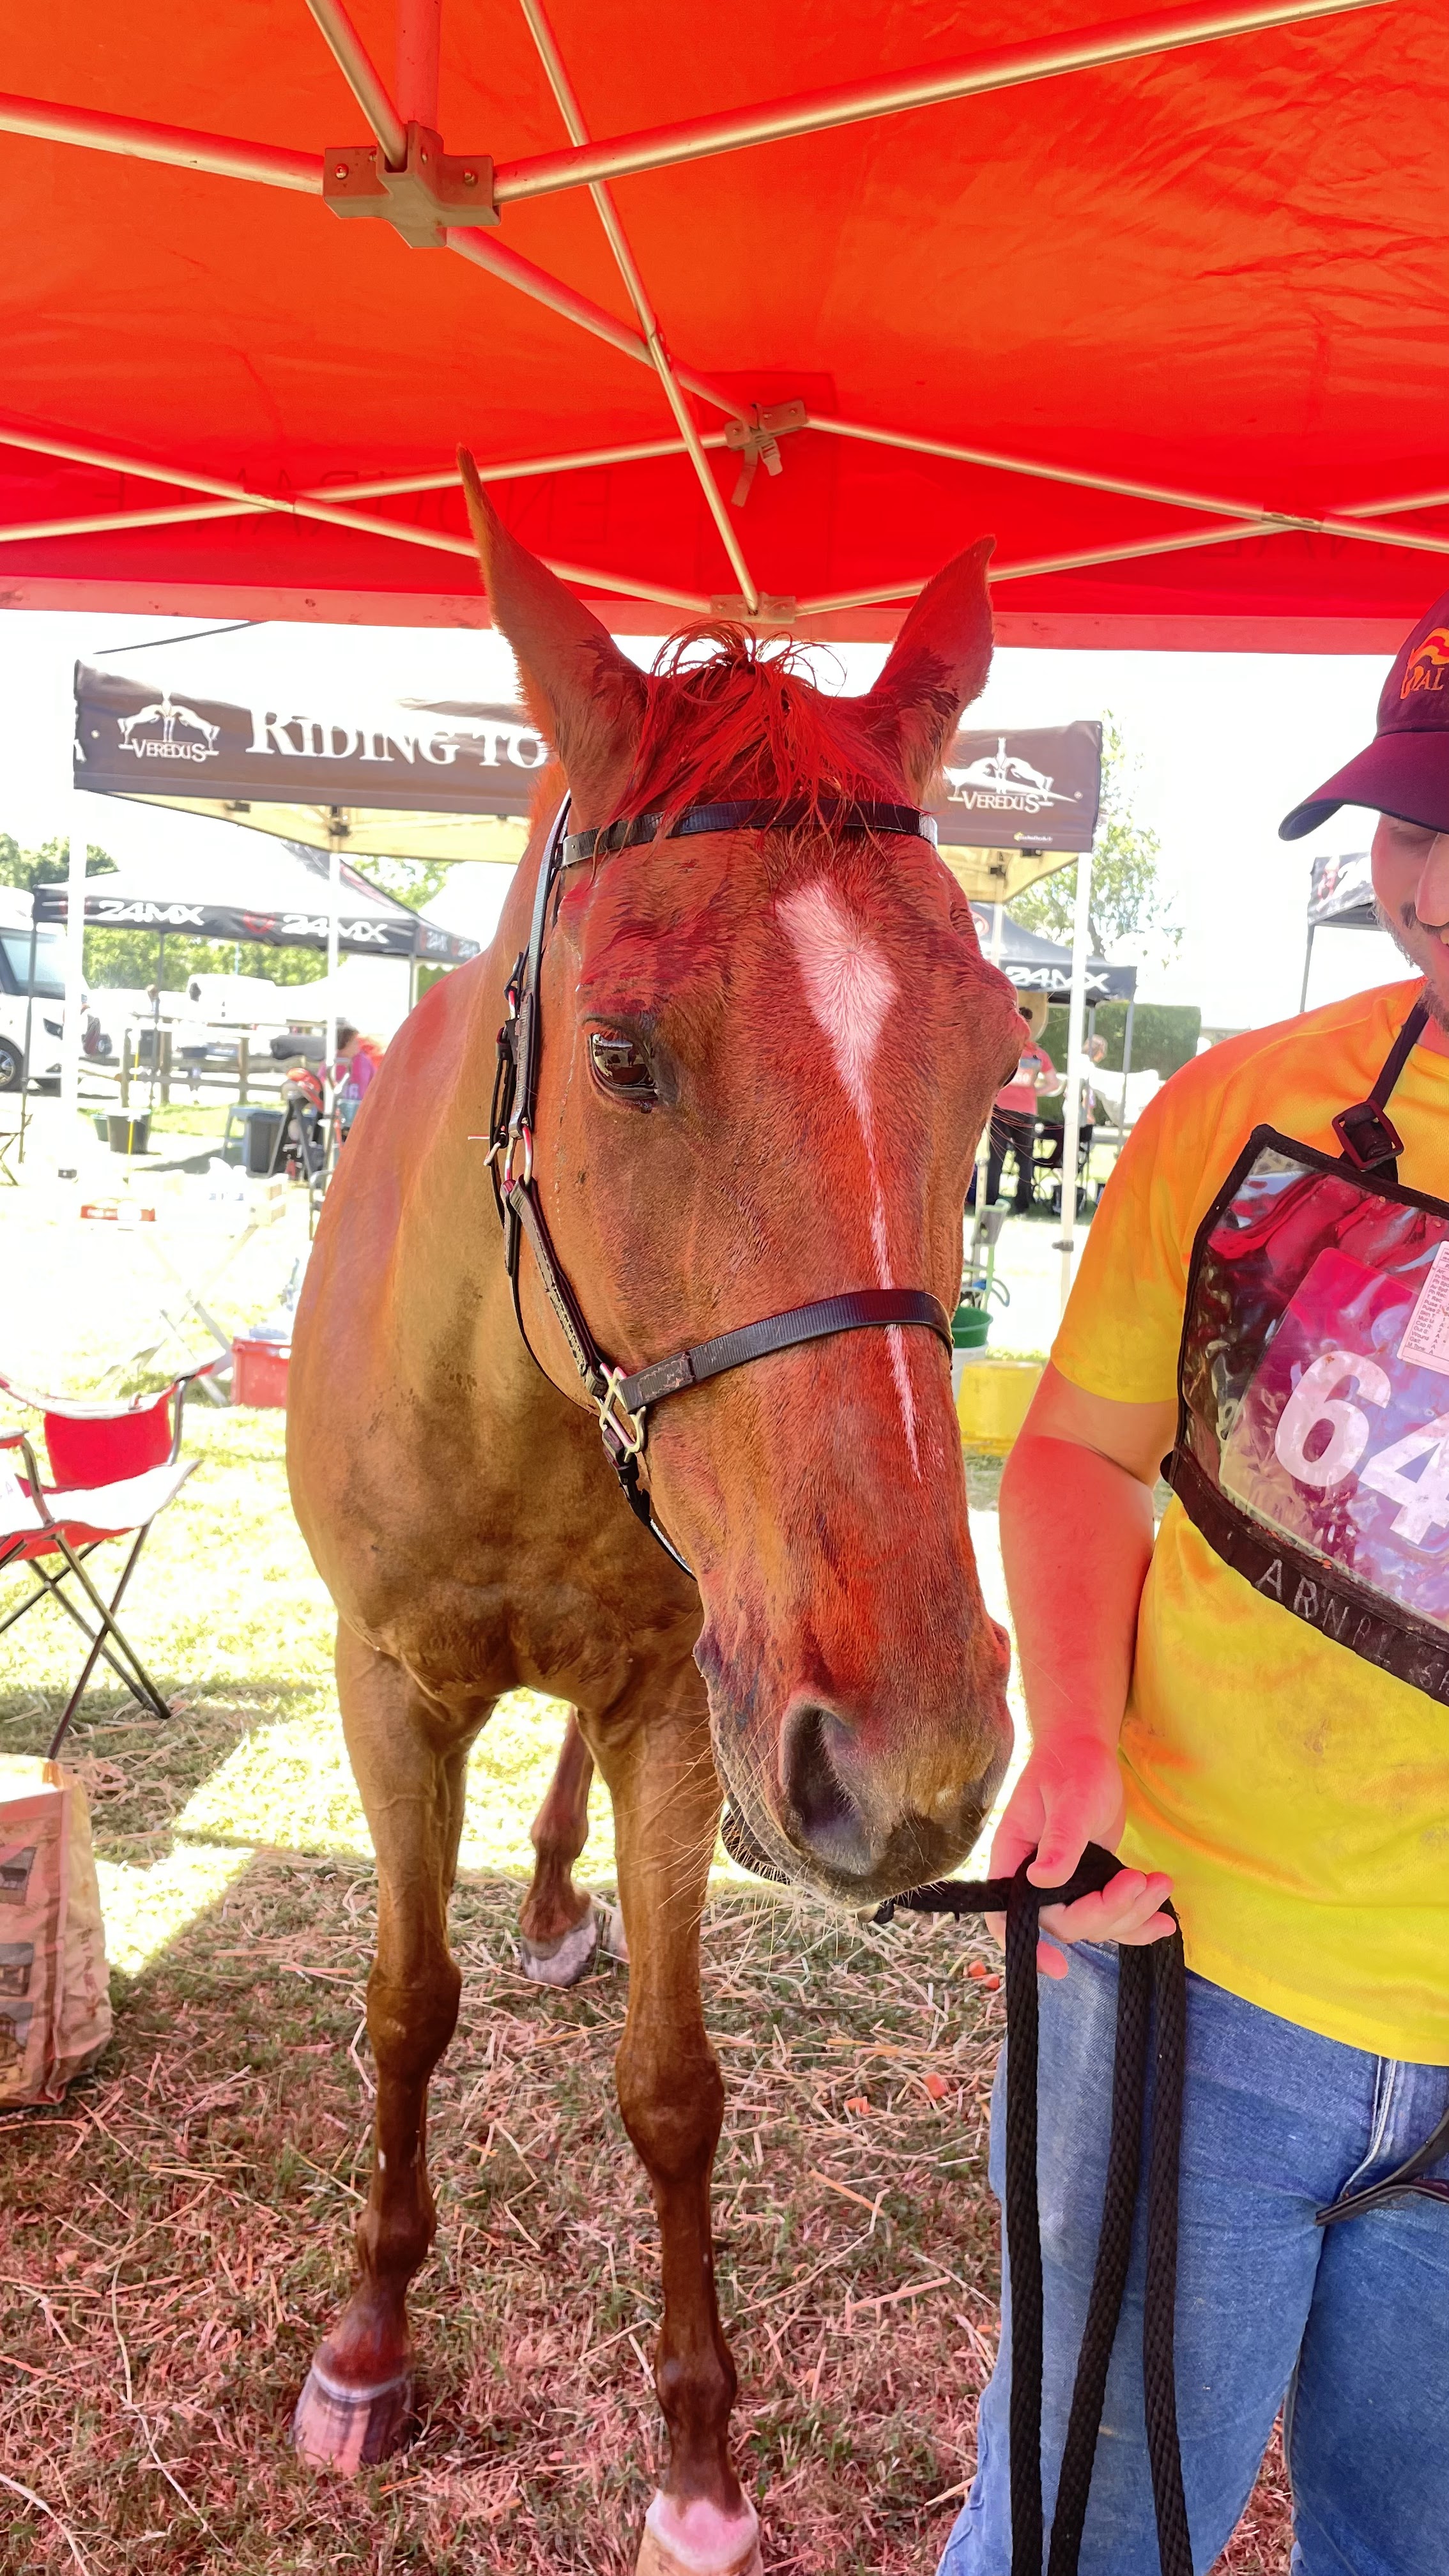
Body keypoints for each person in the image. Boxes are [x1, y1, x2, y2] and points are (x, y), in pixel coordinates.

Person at [940, 590, 1449, 2576]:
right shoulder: (1239, 1116)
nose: (1432, 886)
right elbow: (1080, 1451)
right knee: (1082, 2534)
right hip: (1193, 1986)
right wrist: (1071, 1735)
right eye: (1414, 822)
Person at [977, 1000, 1061, 1213]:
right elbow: (1054, 1083)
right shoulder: (1038, 1054)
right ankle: (1022, 1204)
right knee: (1025, 1159)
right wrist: (1035, 1091)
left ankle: (990, 1201)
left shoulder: (1005, 1049)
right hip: (1027, 1111)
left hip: (1001, 1108)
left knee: (997, 1158)